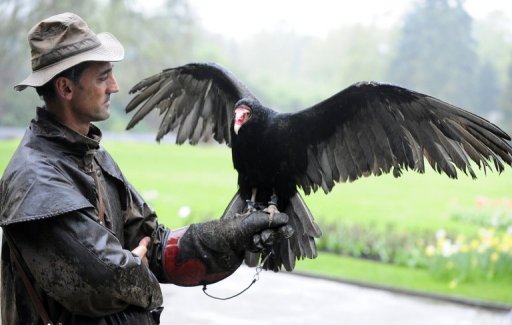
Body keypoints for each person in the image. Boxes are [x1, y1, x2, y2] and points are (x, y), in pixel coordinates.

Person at [0, 12, 290, 325]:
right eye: (102, 77)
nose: (115, 86)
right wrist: (134, 267)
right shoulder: (35, 180)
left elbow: (154, 245)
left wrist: (231, 235)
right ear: (66, 88)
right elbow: (105, 282)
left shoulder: (95, 159)